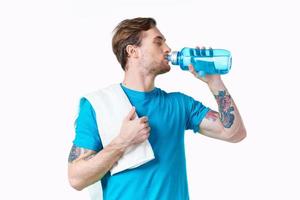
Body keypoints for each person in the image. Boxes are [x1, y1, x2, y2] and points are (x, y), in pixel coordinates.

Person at [68, 17, 247, 200]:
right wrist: (122, 141)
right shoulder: (97, 105)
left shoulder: (180, 104)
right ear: (133, 51)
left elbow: (234, 133)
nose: (168, 49)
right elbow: (76, 178)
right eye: (158, 42)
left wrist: (214, 82)